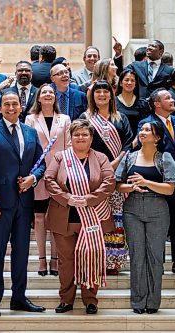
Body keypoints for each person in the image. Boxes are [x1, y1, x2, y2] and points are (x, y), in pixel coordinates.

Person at [0, 91, 46, 317]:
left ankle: (19, 297)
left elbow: (41, 164)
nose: (10, 107)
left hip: (24, 203)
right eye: (6, 104)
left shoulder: (30, 132)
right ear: (0, 107)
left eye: (14, 104)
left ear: (20, 106)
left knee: (22, 253)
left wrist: (33, 178)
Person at [45, 119, 115, 314]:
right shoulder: (60, 157)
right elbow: (49, 180)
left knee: (91, 256)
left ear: (91, 138)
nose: (81, 137)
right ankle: (66, 300)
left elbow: (109, 182)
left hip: (93, 219)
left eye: (85, 134)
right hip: (64, 218)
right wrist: (67, 198)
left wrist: (89, 199)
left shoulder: (100, 158)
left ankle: (90, 300)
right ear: (70, 138)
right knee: (66, 261)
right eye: (77, 134)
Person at [116, 121, 175, 314]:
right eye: (141, 129)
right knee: (136, 256)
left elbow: (170, 189)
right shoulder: (129, 157)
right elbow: (119, 185)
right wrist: (131, 187)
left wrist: (146, 182)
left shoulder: (165, 158)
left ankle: (153, 302)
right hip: (132, 208)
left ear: (157, 137)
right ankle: (138, 302)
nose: (142, 132)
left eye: (147, 130)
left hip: (158, 208)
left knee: (155, 257)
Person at [80, 80, 133, 274]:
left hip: (117, 174)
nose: (101, 95)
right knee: (96, 218)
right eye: (97, 92)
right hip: (93, 174)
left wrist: (116, 162)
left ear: (111, 95)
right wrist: (101, 166)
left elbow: (129, 143)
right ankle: (95, 258)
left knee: (115, 217)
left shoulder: (121, 118)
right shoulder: (85, 117)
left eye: (105, 91)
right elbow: (81, 142)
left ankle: (113, 262)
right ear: (92, 96)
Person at [138, 88, 175, 275]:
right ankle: (157, 262)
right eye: (167, 97)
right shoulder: (146, 124)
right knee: (158, 225)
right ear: (156, 103)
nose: (172, 100)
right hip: (157, 181)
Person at [25, 84, 71, 277]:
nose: (48, 95)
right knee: (39, 218)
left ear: (55, 97)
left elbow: (68, 145)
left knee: (56, 218)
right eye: (44, 92)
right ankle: (42, 260)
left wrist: (62, 169)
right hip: (38, 172)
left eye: (51, 92)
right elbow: (27, 146)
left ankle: (55, 259)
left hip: (59, 173)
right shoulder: (30, 118)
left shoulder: (65, 119)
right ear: (38, 97)